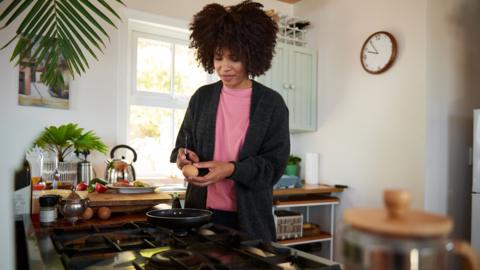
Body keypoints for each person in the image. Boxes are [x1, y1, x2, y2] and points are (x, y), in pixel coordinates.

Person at [170, 0, 290, 242]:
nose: (224, 67)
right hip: (200, 216)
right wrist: (183, 159)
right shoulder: (202, 98)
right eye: (217, 58)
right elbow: (182, 146)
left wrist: (231, 169)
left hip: (249, 220)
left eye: (234, 58)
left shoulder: (271, 104)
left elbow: (272, 168)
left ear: (252, 56)